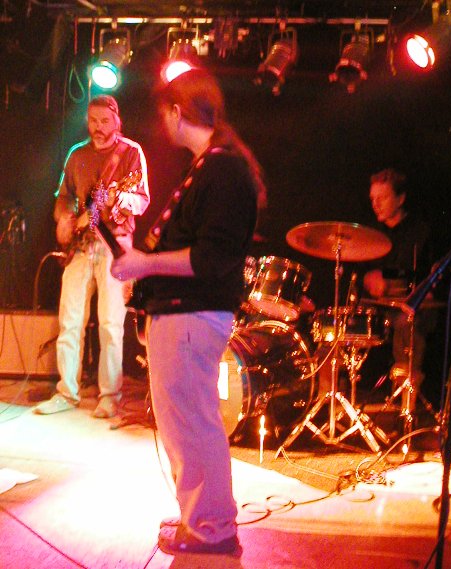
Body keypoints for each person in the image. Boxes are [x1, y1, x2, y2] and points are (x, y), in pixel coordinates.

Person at [110, 67, 266, 556]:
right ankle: (199, 516)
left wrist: (145, 262)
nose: (163, 123)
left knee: (193, 422)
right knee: (185, 423)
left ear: (178, 112)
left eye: (165, 114)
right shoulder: (211, 166)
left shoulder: (223, 169)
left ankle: (211, 528)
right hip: (182, 315)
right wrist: (139, 262)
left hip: (192, 315)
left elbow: (210, 258)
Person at [34, 95, 150, 418]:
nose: (98, 127)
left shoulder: (130, 152)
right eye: (93, 121)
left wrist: (117, 199)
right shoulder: (76, 154)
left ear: (117, 121)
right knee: (70, 320)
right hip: (80, 248)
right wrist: (64, 219)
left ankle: (110, 395)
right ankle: (66, 392)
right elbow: (64, 198)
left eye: (104, 121)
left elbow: (142, 199)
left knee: (111, 324)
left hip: (114, 246)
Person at [362, 168, 435, 411]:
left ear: (400, 198)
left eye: (382, 198)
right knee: (337, 321)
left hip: (413, 307)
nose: (376, 204)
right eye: (373, 199)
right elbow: (364, 274)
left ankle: (405, 405)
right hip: (379, 306)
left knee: (406, 325)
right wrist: (368, 280)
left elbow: (419, 275)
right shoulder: (371, 233)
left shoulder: (420, 231)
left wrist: (385, 278)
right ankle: (329, 398)